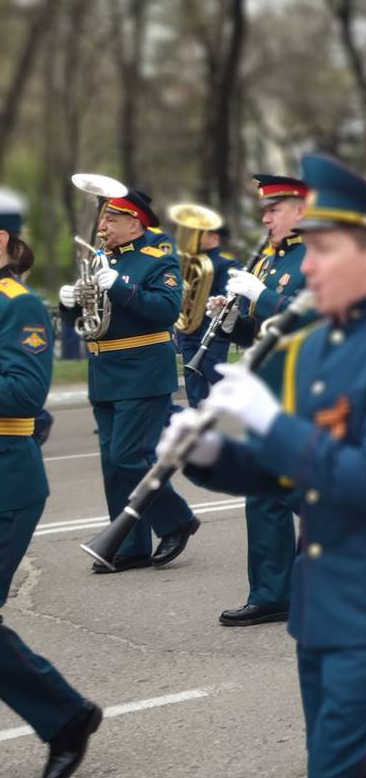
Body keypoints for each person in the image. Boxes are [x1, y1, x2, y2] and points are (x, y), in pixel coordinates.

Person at [165, 153, 366, 778]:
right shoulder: (316, 341)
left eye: (324, 249)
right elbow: (288, 480)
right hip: (320, 599)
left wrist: (270, 423)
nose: (309, 264)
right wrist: (206, 456)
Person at [1, 189, 104, 778]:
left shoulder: (19, 307)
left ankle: (64, 716)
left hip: (7, 482)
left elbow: (23, 393)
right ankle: (66, 715)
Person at [59, 188, 200, 573]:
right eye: (102, 219)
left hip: (142, 370)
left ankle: (176, 520)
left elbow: (165, 311)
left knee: (129, 457)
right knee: (113, 463)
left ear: (134, 222)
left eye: (110, 220)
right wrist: (69, 304)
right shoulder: (101, 260)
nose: (101, 227)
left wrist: (118, 285)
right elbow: (86, 323)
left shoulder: (159, 260)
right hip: (103, 371)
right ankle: (128, 545)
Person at [210, 174, 309, 627]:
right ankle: (271, 592)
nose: (265, 217)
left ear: (302, 210)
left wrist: (262, 296)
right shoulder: (271, 259)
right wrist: (230, 318)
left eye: (274, 209)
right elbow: (262, 330)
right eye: (265, 210)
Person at [177, 224, 235, 406]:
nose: (193, 237)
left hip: (212, 332)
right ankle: (198, 425)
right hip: (188, 331)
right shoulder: (188, 263)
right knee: (194, 386)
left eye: (199, 233)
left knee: (216, 379)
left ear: (214, 236)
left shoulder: (227, 263)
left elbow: (229, 298)